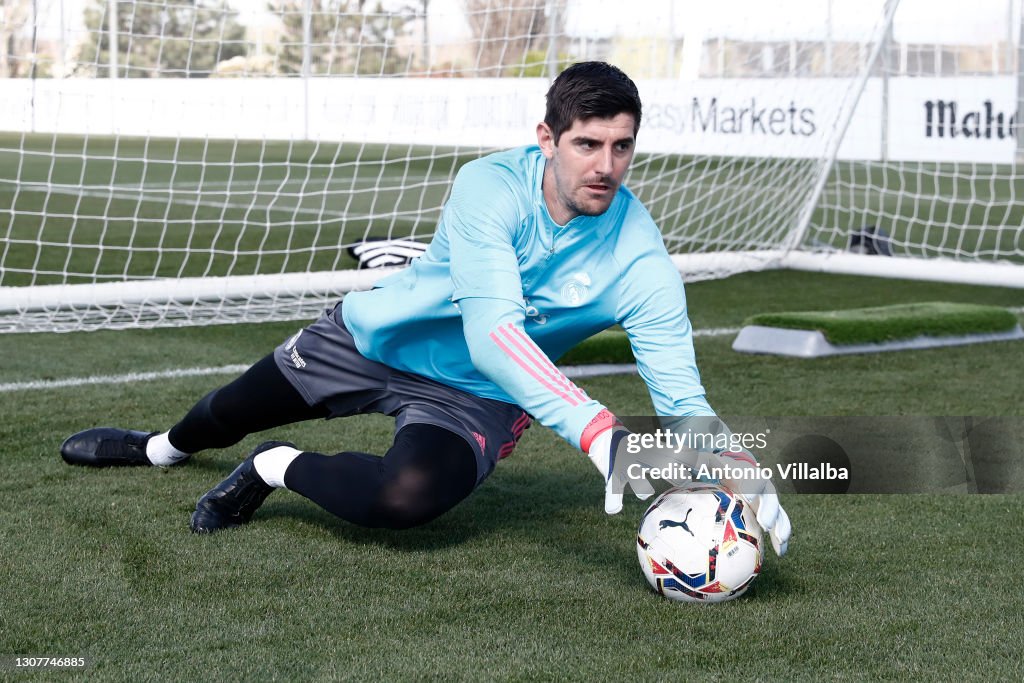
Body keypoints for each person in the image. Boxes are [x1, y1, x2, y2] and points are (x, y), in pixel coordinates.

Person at [61, 62, 791, 554]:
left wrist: (735, 464)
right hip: (377, 339)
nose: (605, 165)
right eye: (586, 144)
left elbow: (682, 399)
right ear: (547, 140)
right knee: (225, 409)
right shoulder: (489, 187)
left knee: (404, 502)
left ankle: (272, 466)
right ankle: (159, 447)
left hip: (474, 398)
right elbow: (494, 332)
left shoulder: (642, 259)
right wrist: (600, 432)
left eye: (622, 147)